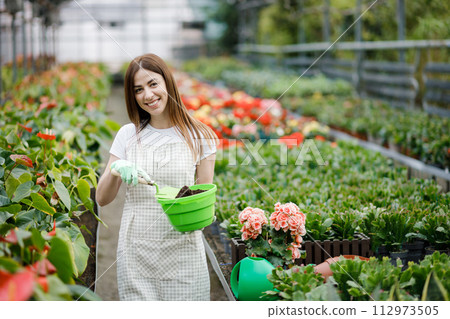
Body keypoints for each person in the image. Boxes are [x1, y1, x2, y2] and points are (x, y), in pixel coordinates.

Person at [96, 53, 218, 301]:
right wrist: (116, 169)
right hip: (137, 251)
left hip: (183, 249)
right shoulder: (128, 134)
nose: (148, 95)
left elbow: (204, 202)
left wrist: (190, 210)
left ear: (167, 83)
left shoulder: (200, 135)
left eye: (153, 84)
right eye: (138, 90)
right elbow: (102, 198)